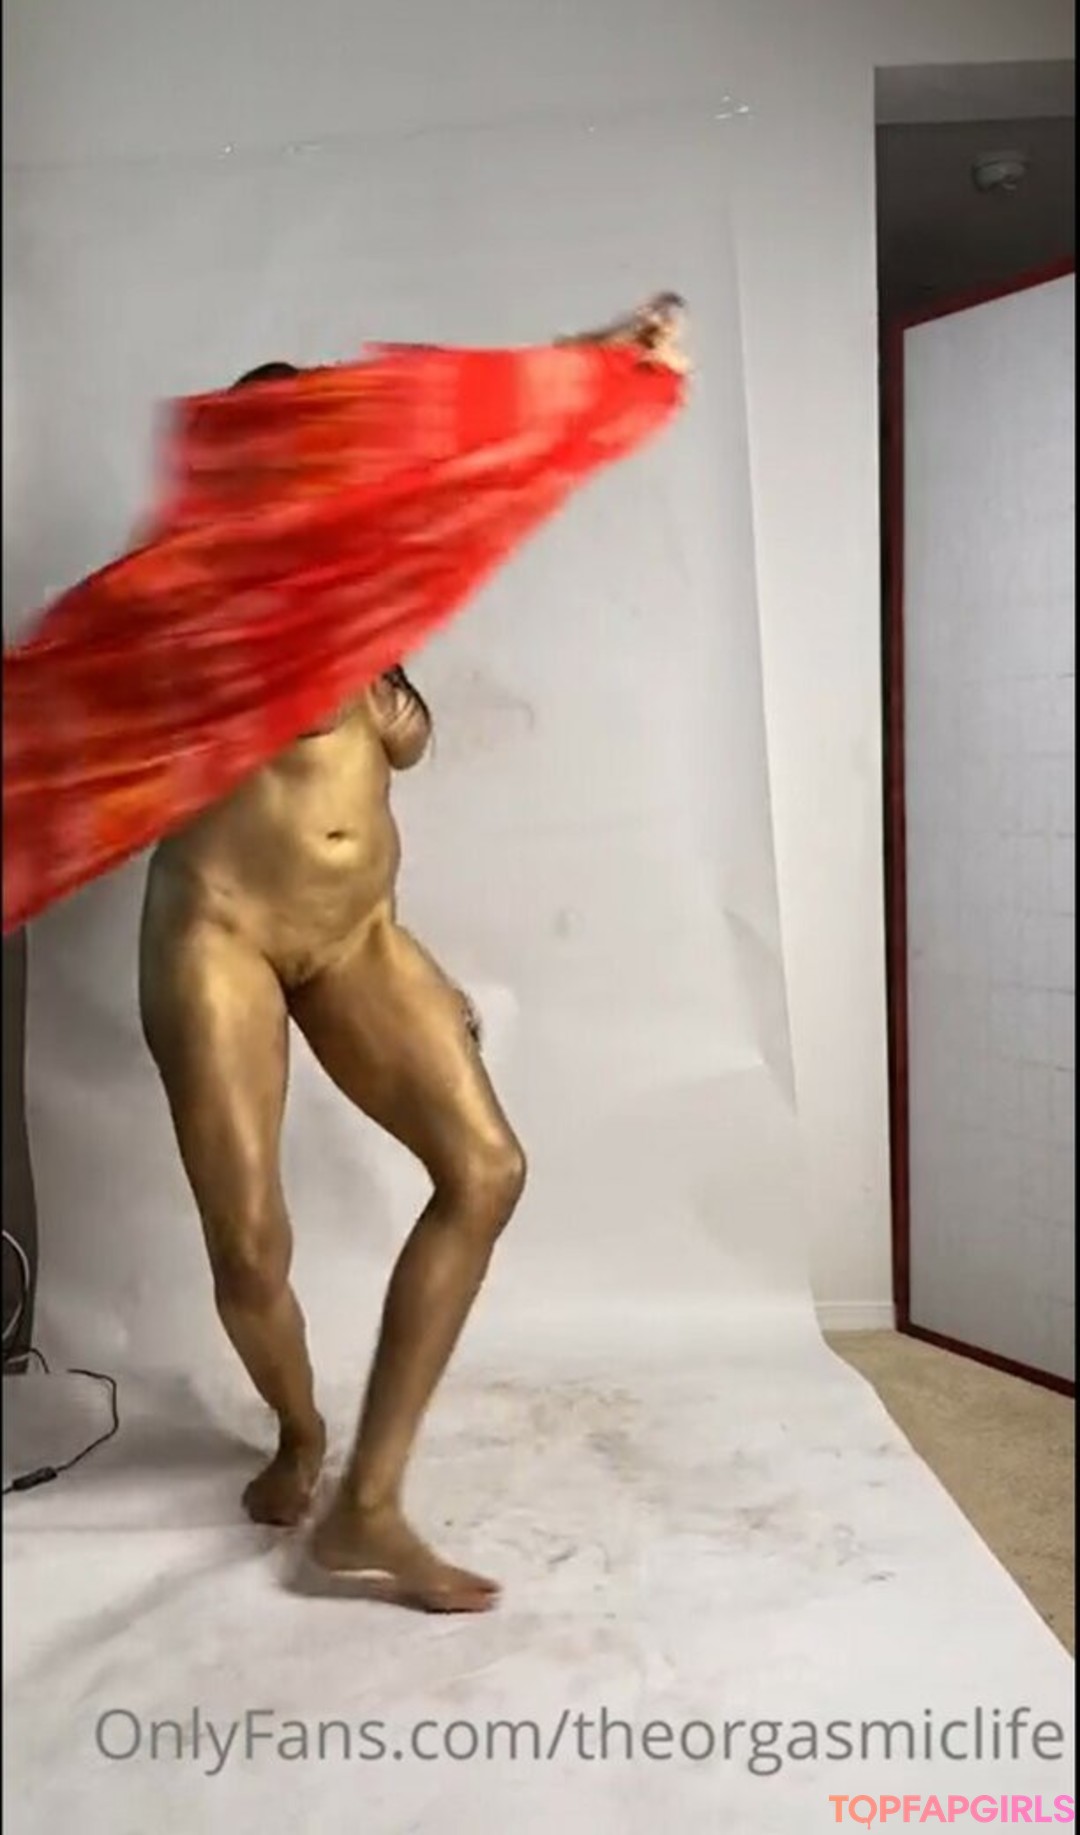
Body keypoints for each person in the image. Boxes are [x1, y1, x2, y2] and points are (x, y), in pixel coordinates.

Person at [138, 296, 688, 1612]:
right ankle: (300, 1433)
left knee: (486, 1170)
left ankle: (368, 1507)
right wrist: (588, 370)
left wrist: (599, 365)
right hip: (219, 938)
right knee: (250, 1250)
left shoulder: (363, 591)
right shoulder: (200, 594)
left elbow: (386, 732)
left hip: (357, 936)